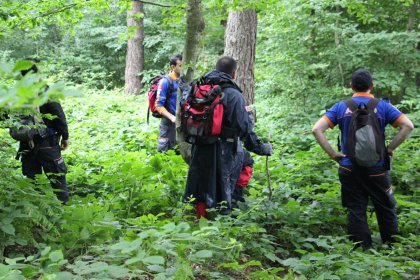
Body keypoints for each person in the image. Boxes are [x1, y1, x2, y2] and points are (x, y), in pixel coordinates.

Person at [312, 69, 414, 250]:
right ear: (371, 85)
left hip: (349, 168)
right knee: (385, 208)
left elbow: (317, 129)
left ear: (351, 86)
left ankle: (361, 250)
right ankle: (392, 248)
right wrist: (389, 149)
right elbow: (408, 126)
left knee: (356, 209)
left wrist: (334, 154)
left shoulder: (341, 107)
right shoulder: (382, 106)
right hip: (378, 168)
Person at [184, 56, 272, 218]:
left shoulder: (199, 87)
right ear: (233, 73)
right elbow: (244, 128)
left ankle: (199, 221)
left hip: (199, 145)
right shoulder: (233, 94)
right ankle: (230, 209)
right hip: (224, 149)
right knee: (243, 165)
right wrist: (261, 148)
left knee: (202, 182)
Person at [16, 59, 70, 203]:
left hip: (26, 144)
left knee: (32, 181)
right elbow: (59, 116)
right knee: (57, 178)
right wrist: (65, 136)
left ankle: (37, 212)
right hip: (47, 144)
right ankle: (63, 208)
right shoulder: (46, 91)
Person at [156, 54, 182, 152]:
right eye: (180, 66)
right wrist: (172, 117)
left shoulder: (184, 80)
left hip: (181, 122)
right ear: (172, 67)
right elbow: (158, 105)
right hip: (168, 123)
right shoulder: (165, 82)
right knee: (164, 153)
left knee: (178, 152)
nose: (183, 68)